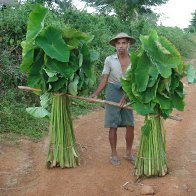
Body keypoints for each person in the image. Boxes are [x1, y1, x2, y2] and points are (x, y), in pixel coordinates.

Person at [90, 32, 136, 166]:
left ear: (128, 45)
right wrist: (96, 93)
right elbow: (104, 77)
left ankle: (128, 153)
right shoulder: (109, 59)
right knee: (112, 124)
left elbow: (135, 80)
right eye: (118, 43)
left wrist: (127, 95)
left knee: (130, 124)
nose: (121, 46)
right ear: (115, 45)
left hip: (128, 92)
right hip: (112, 90)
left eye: (124, 43)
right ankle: (114, 153)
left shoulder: (134, 59)